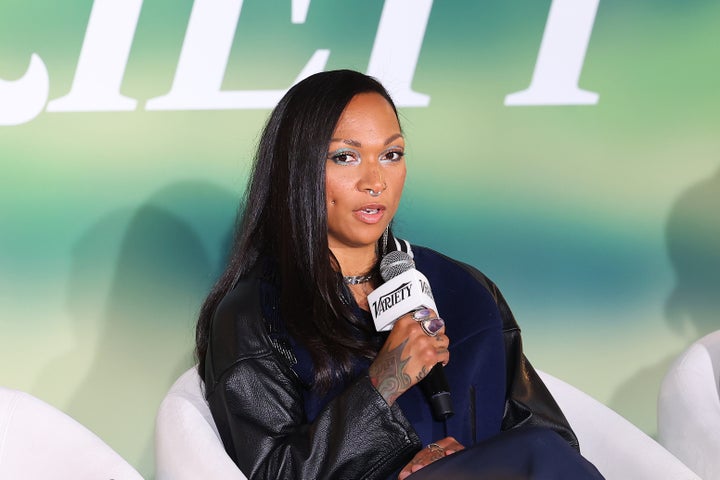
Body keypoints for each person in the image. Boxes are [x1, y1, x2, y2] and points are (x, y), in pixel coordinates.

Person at [194, 69, 603, 479]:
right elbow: (273, 473)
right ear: (296, 171)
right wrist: (381, 386)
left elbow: (551, 443)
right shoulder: (255, 315)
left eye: (391, 154)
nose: (375, 182)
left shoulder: (465, 290)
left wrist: (466, 466)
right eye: (345, 157)